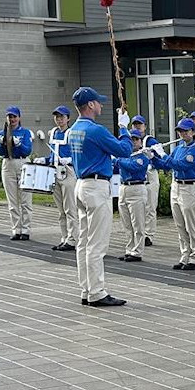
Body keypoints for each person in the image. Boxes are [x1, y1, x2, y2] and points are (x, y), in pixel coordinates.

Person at [66, 87, 133, 306]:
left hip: (81, 184)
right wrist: (124, 127)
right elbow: (125, 150)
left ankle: (86, 289)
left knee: (84, 242)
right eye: (99, 102)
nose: (101, 106)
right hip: (96, 187)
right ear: (91, 105)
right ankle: (97, 292)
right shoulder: (96, 130)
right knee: (97, 244)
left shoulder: (73, 129)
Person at [150, 118, 195, 270]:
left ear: (193, 132)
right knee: (180, 225)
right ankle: (184, 255)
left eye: (185, 131)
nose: (182, 134)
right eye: (180, 131)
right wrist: (153, 158)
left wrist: (163, 154)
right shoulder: (179, 147)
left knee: (191, 225)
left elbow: (181, 165)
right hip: (177, 186)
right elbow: (167, 165)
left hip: (190, 187)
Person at [39, 105, 78, 251]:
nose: (59, 119)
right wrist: (45, 160)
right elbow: (53, 155)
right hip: (55, 172)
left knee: (70, 209)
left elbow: (77, 155)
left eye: (61, 117)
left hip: (68, 172)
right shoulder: (54, 133)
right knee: (61, 210)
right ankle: (64, 237)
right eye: (57, 117)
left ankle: (73, 239)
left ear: (68, 118)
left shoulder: (72, 133)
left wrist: (69, 160)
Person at [0, 106, 33, 240]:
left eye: (14, 116)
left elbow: (27, 151)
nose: (12, 119)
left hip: (22, 163)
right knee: (12, 200)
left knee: (25, 199)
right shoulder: (2, 132)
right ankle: (16, 229)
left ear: (19, 117)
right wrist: (0, 144)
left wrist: (19, 144)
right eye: (10, 117)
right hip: (8, 163)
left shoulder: (25, 132)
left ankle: (26, 229)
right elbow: (0, 153)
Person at [116, 130, 151, 262]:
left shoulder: (142, 156)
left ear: (140, 141)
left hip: (137, 188)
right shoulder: (126, 155)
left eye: (136, 139)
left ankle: (137, 251)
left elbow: (133, 167)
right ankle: (129, 248)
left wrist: (118, 159)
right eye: (131, 140)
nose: (133, 142)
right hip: (124, 187)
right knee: (127, 223)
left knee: (138, 223)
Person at [130, 115, 160, 247]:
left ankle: (149, 234)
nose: (137, 126)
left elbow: (159, 158)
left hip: (149, 174)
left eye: (139, 124)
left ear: (145, 126)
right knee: (137, 208)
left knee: (150, 206)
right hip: (137, 176)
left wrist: (151, 156)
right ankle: (139, 233)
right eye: (135, 124)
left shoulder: (150, 141)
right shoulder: (129, 140)